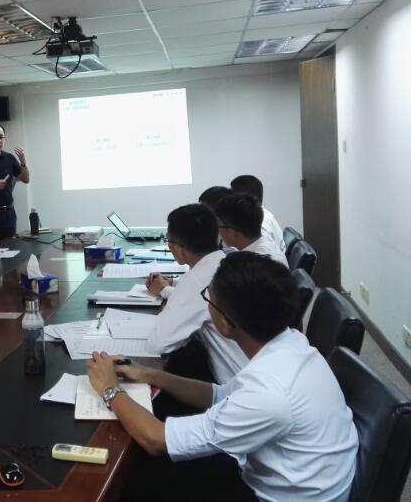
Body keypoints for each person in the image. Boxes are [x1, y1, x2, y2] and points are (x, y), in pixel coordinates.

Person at [87, 252, 358, 502]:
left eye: (208, 299)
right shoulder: (290, 344)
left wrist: (110, 389)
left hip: (271, 496)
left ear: (226, 324)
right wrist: (150, 374)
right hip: (285, 480)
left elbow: (156, 440)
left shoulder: (269, 393)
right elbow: (219, 395)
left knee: (138, 482)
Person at [143, 204, 247, 387]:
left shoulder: (196, 280)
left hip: (236, 386)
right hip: (257, 373)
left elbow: (158, 344)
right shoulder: (227, 263)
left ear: (180, 249)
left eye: (168, 241)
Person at [215, 193, 289, 267]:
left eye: (219, 226)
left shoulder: (255, 265)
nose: (219, 232)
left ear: (232, 232)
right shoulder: (265, 245)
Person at [231, 174, 285, 252]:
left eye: (232, 197)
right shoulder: (262, 214)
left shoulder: (260, 225)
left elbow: (262, 255)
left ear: (243, 200)